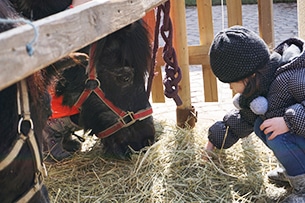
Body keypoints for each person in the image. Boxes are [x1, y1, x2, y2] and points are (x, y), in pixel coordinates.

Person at [205, 25, 305, 202]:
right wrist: (215, 139)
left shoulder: (293, 78)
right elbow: (243, 120)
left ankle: (303, 187)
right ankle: (295, 171)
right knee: (261, 125)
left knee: (277, 135)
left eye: (231, 82)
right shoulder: (262, 85)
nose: (230, 87)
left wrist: (288, 121)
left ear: (247, 75)